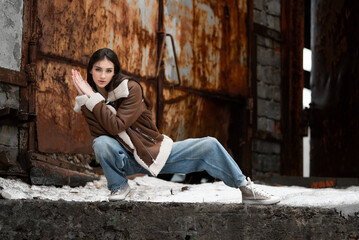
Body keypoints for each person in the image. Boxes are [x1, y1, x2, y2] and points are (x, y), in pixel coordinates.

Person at [72, 48, 280, 205]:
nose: (102, 75)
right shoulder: (90, 100)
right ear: (90, 70)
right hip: (126, 159)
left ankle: (246, 188)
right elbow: (102, 132)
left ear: (115, 72)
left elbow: (116, 125)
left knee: (209, 145)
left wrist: (93, 98)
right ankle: (119, 186)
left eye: (108, 70)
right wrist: (91, 99)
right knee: (100, 143)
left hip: (152, 151)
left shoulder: (131, 89)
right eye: (98, 69)